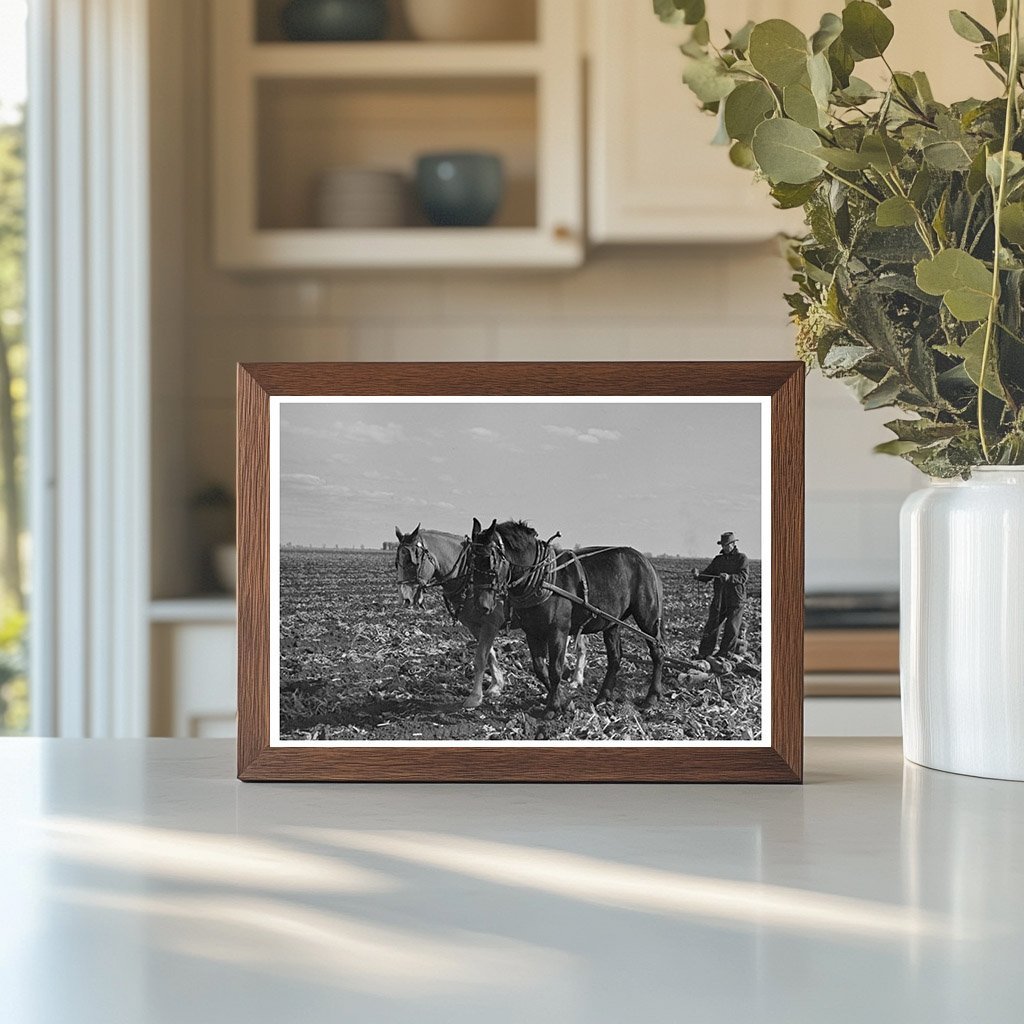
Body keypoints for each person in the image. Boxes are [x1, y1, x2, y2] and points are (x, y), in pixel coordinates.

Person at [693, 532, 749, 658]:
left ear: (734, 544)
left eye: (727, 544)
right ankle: (704, 653)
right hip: (720, 598)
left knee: (732, 628)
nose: (725, 547)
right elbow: (708, 574)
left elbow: (743, 577)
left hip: (736, 599)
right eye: (723, 545)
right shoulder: (718, 560)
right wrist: (698, 575)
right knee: (712, 626)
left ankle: (724, 654)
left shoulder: (741, 558)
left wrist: (730, 577)